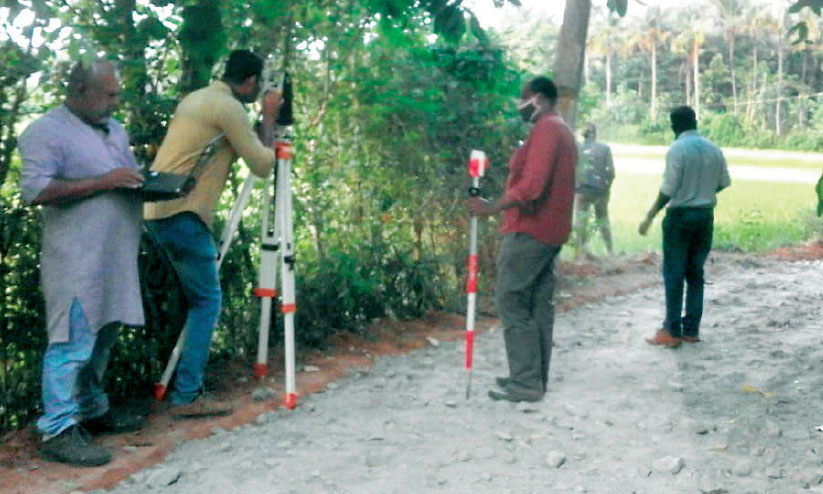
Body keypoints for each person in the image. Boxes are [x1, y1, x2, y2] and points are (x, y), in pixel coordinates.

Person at [18, 58, 146, 466]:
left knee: (104, 332)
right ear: (79, 91)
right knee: (72, 341)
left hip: (113, 255)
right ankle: (57, 426)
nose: (115, 100)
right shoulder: (45, 131)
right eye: (108, 94)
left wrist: (153, 185)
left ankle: (92, 408)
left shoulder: (114, 129)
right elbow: (35, 190)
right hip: (76, 259)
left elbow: (125, 173)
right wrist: (103, 182)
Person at [144, 49, 282, 418]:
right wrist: (268, 118)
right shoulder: (228, 108)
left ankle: (181, 387)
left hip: (156, 210)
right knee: (206, 301)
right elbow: (264, 163)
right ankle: (187, 394)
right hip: (183, 212)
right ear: (250, 81)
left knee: (197, 297)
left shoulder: (198, 99)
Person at [467, 76, 576, 403]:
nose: (519, 105)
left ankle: (526, 380)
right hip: (550, 230)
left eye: (523, 99)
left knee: (511, 299)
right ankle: (531, 377)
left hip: (532, 229)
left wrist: (490, 207)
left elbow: (532, 186)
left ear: (538, 99)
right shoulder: (561, 130)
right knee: (536, 303)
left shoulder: (547, 129)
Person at [639, 105, 731, 348]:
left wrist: (650, 215)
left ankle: (671, 329)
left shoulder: (677, 149)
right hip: (705, 216)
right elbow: (722, 183)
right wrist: (701, 192)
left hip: (680, 217)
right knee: (695, 273)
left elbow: (668, 189)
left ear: (673, 126)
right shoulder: (713, 149)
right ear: (696, 122)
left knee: (674, 273)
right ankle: (691, 330)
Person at [574, 123, 615, 257]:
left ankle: (581, 252)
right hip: (600, 190)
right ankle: (609, 249)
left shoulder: (577, 148)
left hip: (581, 190)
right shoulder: (604, 148)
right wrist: (607, 188)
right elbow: (611, 172)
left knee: (581, 222)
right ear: (595, 134)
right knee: (603, 219)